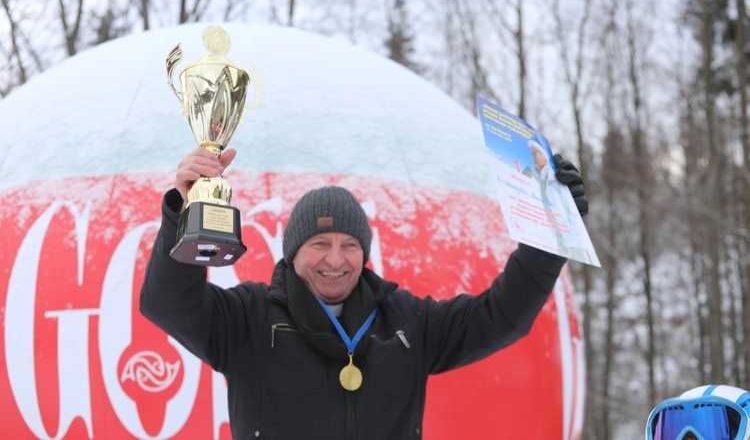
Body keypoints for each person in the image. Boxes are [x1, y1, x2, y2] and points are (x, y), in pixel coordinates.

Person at [140, 146, 589, 439]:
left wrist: (547, 238)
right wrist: (186, 211)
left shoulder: (406, 324)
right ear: (293, 252)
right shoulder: (249, 321)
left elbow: (501, 317)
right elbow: (168, 304)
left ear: (364, 253)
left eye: (349, 246)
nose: (335, 260)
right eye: (320, 244)